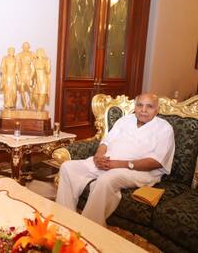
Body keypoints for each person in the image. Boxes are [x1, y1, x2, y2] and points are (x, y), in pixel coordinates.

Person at [55, 93, 175, 226]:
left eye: (149, 106)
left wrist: (118, 164)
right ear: (135, 107)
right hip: (107, 163)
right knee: (68, 167)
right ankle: (64, 219)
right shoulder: (125, 120)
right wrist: (98, 156)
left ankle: (88, 228)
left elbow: (156, 162)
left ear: (157, 110)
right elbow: (106, 142)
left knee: (106, 179)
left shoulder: (164, 128)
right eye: (140, 105)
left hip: (137, 171)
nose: (143, 110)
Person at [16, 42, 35, 109]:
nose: (25, 47)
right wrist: (18, 78)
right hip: (22, 74)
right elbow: (17, 67)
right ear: (22, 47)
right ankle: (24, 105)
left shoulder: (32, 54)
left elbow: (33, 67)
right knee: (22, 89)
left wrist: (31, 77)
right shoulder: (19, 55)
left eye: (27, 46)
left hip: (29, 74)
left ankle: (30, 103)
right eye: (24, 46)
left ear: (29, 47)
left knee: (31, 90)